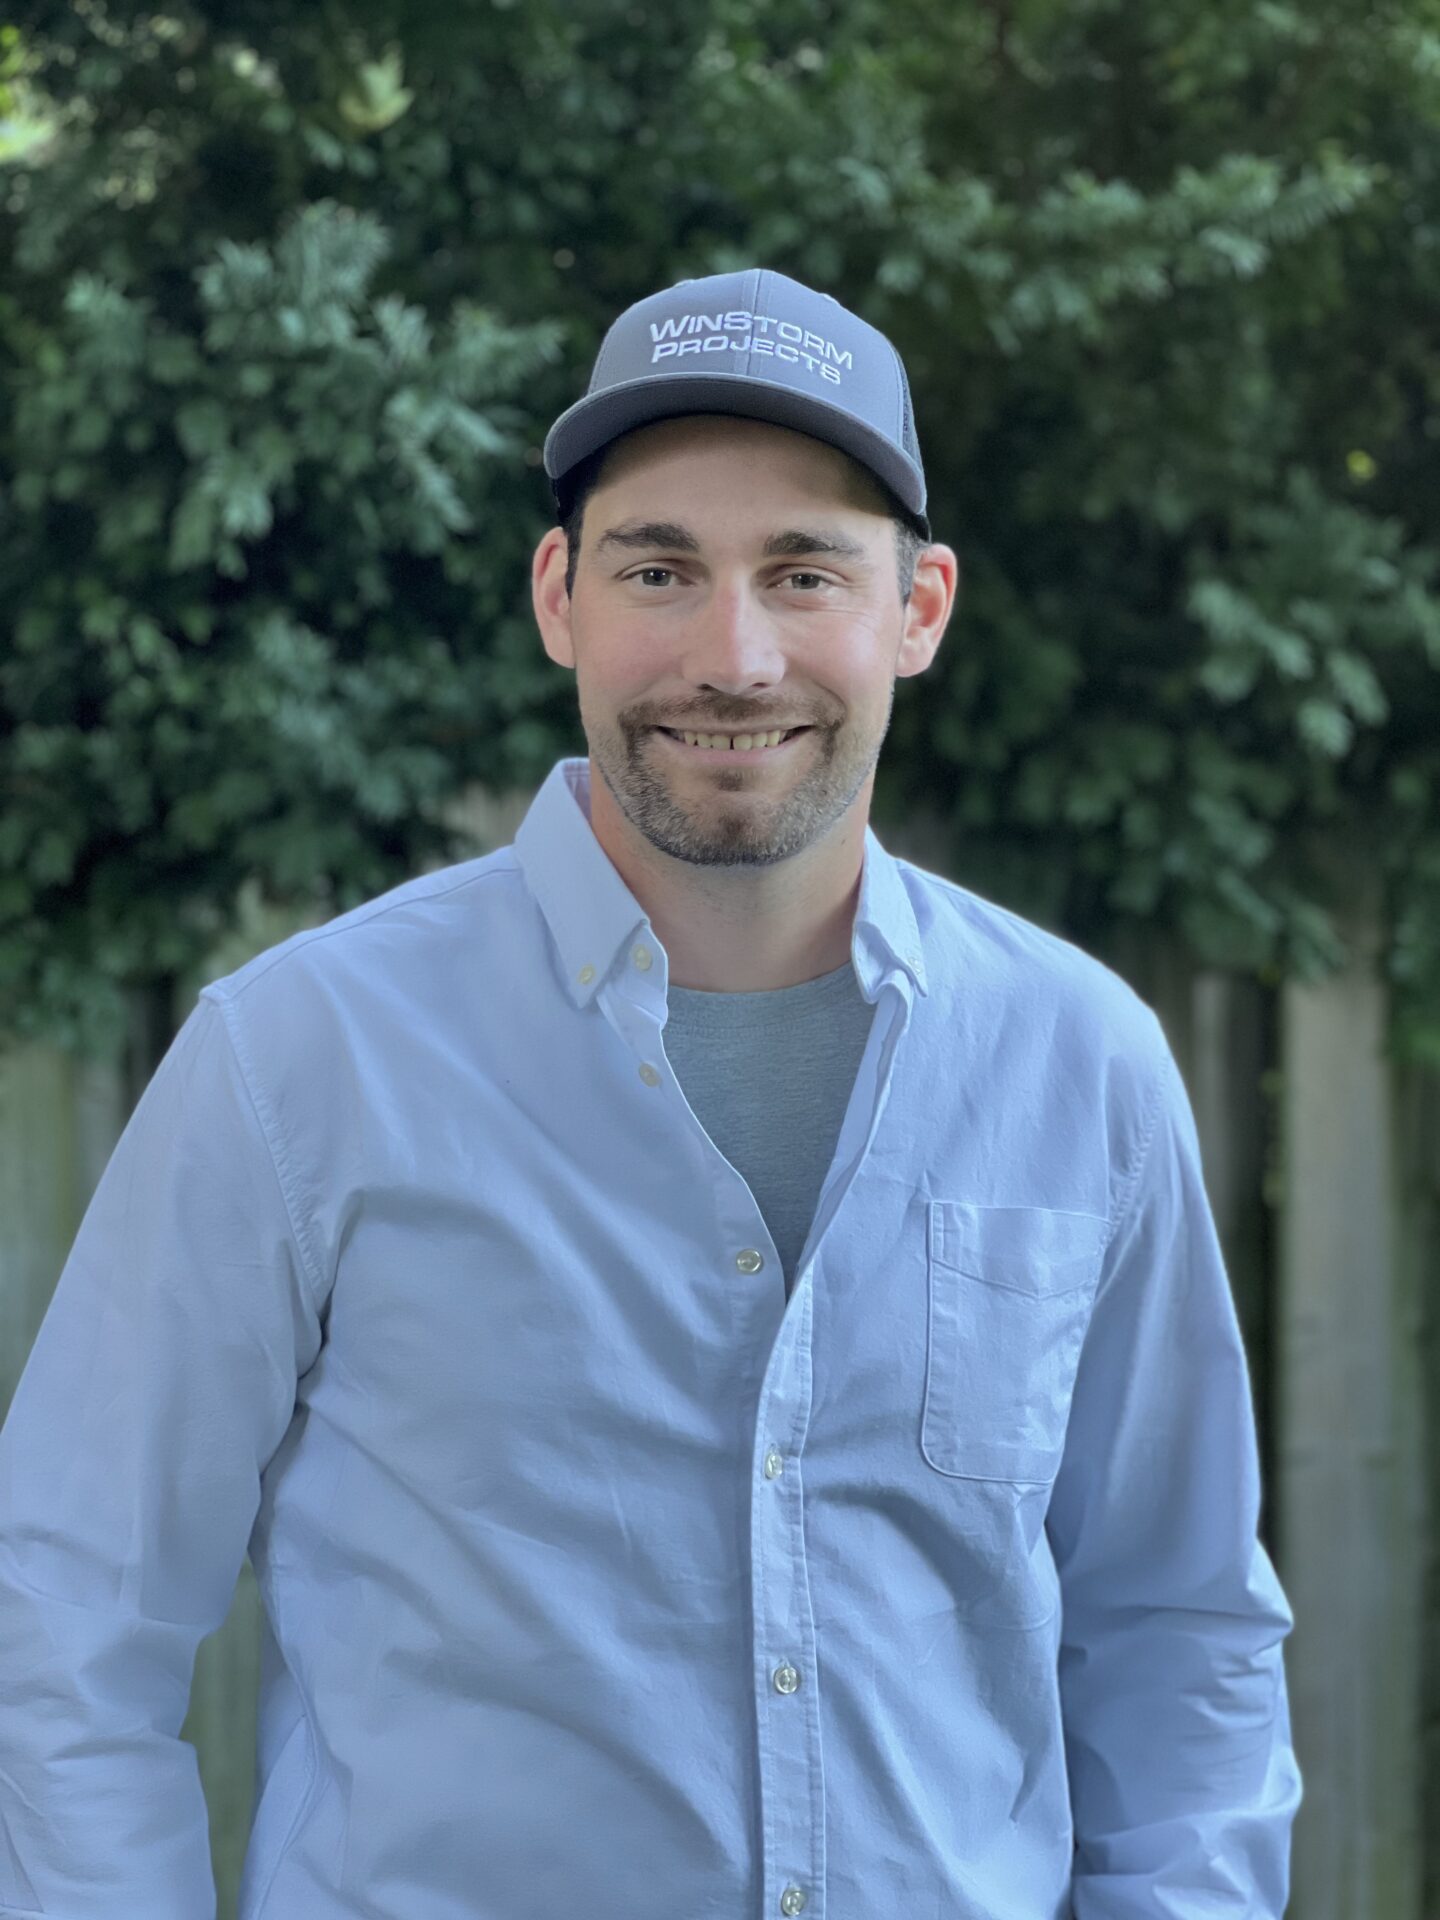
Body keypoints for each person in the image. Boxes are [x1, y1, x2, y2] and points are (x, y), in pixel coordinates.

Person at [0, 267, 1301, 1918]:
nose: (734, 656)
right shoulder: (301, 1058)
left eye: (805, 571)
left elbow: (1179, 1628)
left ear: (919, 607)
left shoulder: (1083, 1062)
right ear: (561, 596)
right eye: (661, 568)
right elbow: (67, 1622)